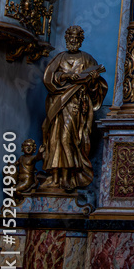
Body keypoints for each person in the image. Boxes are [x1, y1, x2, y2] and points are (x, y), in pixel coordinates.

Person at [40, 26, 107, 193]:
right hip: (58, 104)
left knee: (68, 140)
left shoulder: (87, 59)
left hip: (76, 105)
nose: (73, 41)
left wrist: (92, 80)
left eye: (76, 39)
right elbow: (49, 78)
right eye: (70, 38)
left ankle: (67, 177)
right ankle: (54, 176)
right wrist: (66, 76)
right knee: (54, 140)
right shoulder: (59, 58)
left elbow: (95, 88)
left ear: (81, 40)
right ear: (66, 38)